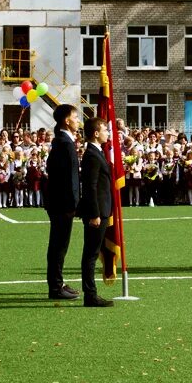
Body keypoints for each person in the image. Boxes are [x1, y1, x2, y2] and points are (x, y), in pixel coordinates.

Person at [76, 118, 115, 308]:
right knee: (91, 254)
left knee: (92, 252)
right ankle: (90, 295)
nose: (108, 133)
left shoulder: (97, 152)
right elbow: (90, 187)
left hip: (102, 208)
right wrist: (94, 214)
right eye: (105, 130)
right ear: (96, 133)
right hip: (97, 210)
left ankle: (91, 294)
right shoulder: (91, 154)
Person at [44, 104, 81, 300]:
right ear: (67, 120)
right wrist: (75, 203)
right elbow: (68, 178)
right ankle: (56, 287)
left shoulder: (63, 141)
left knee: (59, 245)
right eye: (75, 117)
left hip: (59, 202)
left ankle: (57, 283)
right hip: (62, 203)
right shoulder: (64, 143)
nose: (78, 120)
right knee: (59, 246)